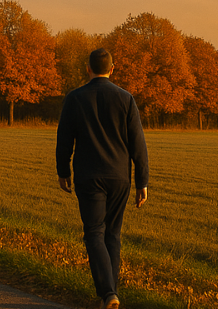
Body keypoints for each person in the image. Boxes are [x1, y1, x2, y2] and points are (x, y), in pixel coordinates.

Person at [56, 48, 149, 309]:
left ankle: (108, 294)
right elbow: (138, 144)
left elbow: (64, 139)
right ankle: (109, 295)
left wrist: (63, 171)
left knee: (94, 232)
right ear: (112, 68)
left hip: (88, 176)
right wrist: (142, 181)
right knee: (113, 235)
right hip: (120, 177)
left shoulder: (75, 98)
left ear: (88, 69)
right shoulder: (126, 98)